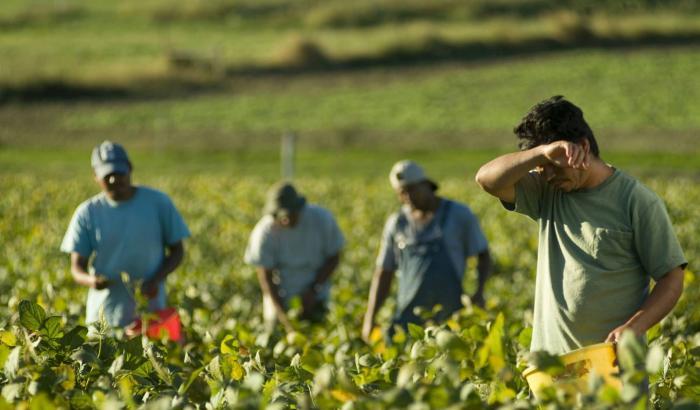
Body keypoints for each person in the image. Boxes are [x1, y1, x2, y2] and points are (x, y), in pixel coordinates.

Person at [475, 95, 687, 355]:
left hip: (613, 363)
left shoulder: (636, 201)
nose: (547, 174)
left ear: (583, 147)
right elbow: (486, 180)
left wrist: (634, 327)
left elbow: (672, 277)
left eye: (553, 165)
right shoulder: (546, 192)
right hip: (553, 366)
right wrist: (541, 154)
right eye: (541, 167)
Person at [60, 141, 190, 329]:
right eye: (107, 175)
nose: (114, 180)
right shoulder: (87, 212)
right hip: (104, 317)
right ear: (95, 176)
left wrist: (155, 279)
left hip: (150, 314)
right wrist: (92, 281)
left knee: (153, 356)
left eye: (118, 173)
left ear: (129, 169)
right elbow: (76, 268)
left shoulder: (158, 203)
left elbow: (177, 251)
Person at [362, 160, 492, 342]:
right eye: (401, 193)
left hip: (450, 315)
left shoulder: (458, 214)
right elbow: (384, 272)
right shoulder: (397, 223)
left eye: (412, 189)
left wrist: (479, 292)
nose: (407, 197)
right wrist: (370, 318)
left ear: (426, 185)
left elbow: (483, 254)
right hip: (409, 319)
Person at [244, 182, 345, 332]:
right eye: (280, 216)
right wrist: (283, 316)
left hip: (317, 297)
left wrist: (313, 290)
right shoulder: (265, 232)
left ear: (299, 208)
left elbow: (334, 257)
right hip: (279, 300)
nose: (285, 220)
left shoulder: (321, 220)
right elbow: (265, 276)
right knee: (275, 339)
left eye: (289, 214)